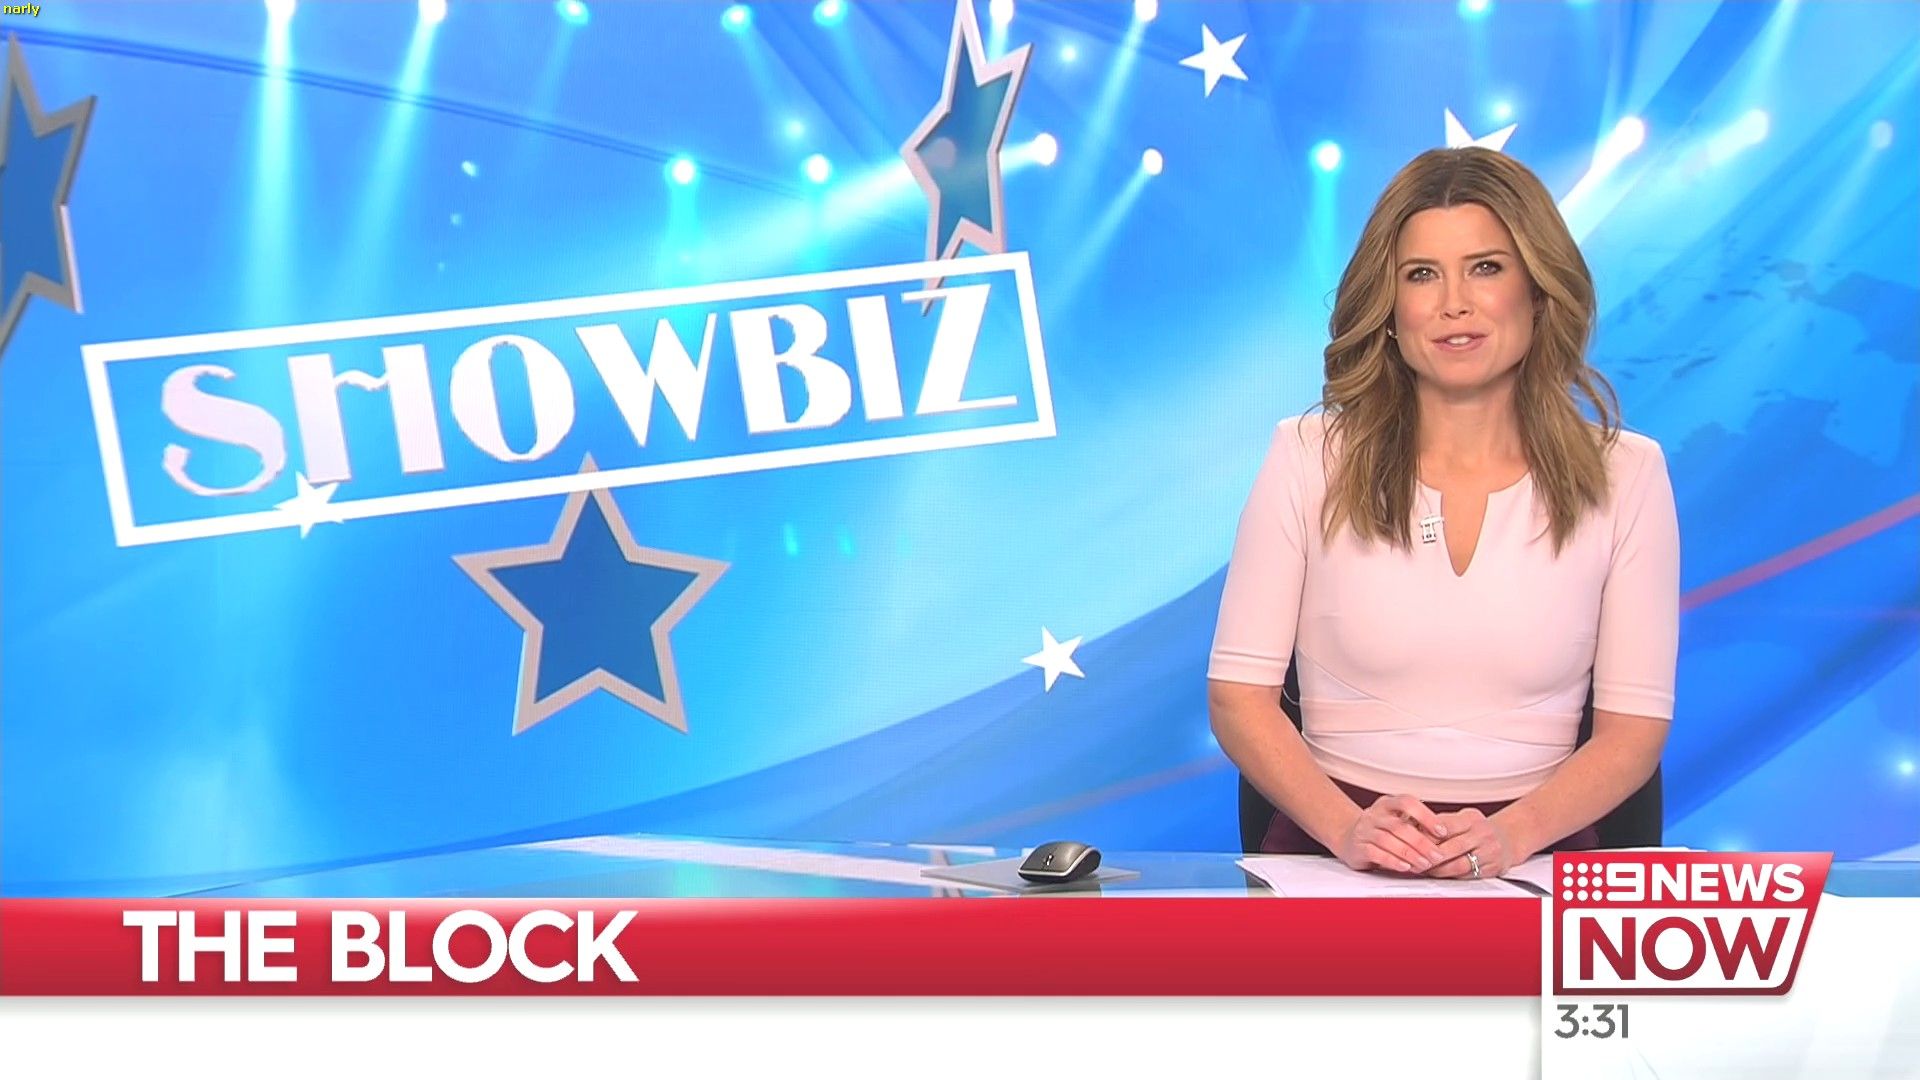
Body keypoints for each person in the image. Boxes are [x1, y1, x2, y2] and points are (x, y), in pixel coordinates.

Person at [1207, 146, 1679, 880]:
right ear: (1390, 307)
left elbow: (1632, 735)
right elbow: (1239, 700)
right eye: (1422, 274)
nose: (1454, 303)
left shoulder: (1629, 474)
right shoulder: (1307, 455)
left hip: (1536, 854)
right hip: (1335, 851)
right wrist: (1348, 829)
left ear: (1537, 290)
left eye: (1485, 268)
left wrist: (1511, 836)